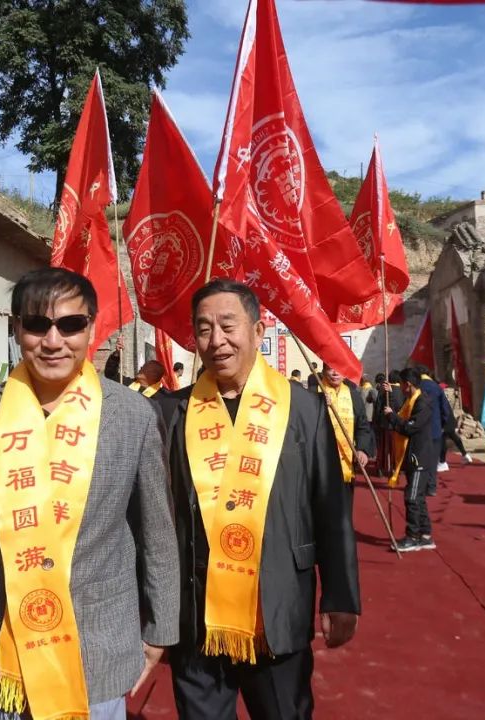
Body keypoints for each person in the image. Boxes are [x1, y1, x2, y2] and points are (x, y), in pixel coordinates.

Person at [0, 268, 179, 720]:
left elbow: (156, 530)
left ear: (92, 327)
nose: (52, 340)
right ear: (16, 328)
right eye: (36, 325)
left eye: (70, 325)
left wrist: (160, 628)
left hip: (96, 643)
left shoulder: (131, 415)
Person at [160, 279, 359, 719]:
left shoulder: (303, 409)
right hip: (197, 616)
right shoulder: (172, 413)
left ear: (258, 330)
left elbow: (331, 507)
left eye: (228, 325)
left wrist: (341, 596)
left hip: (276, 608)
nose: (217, 340)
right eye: (204, 328)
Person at [383, 368, 436, 552]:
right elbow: (402, 415)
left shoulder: (423, 403)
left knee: (412, 497)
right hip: (413, 455)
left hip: (420, 456)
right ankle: (425, 534)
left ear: (408, 385)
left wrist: (392, 417)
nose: (401, 388)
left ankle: (413, 536)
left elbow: (409, 427)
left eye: (402, 385)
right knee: (418, 497)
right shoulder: (409, 401)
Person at [319, 363, 375, 499]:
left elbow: (363, 426)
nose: (335, 373)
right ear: (323, 371)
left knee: (344, 505)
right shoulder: (315, 393)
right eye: (330, 369)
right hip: (320, 462)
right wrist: (318, 403)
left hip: (347, 461)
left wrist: (362, 449)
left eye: (338, 369)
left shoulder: (353, 396)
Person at [415, 367, 450, 491]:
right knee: (433, 458)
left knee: (421, 459)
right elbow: (445, 409)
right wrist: (443, 424)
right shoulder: (437, 388)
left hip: (420, 428)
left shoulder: (417, 387)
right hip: (435, 427)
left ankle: (420, 485)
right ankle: (432, 486)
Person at [438, 384, 473, 466]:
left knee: (443, 440)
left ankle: (442, 462)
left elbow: (444, 412)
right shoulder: (443, 398)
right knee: (454, 437)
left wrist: (443, 424)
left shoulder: (439, 398)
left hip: (446, 421)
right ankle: (465, 454)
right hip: (450, 421)